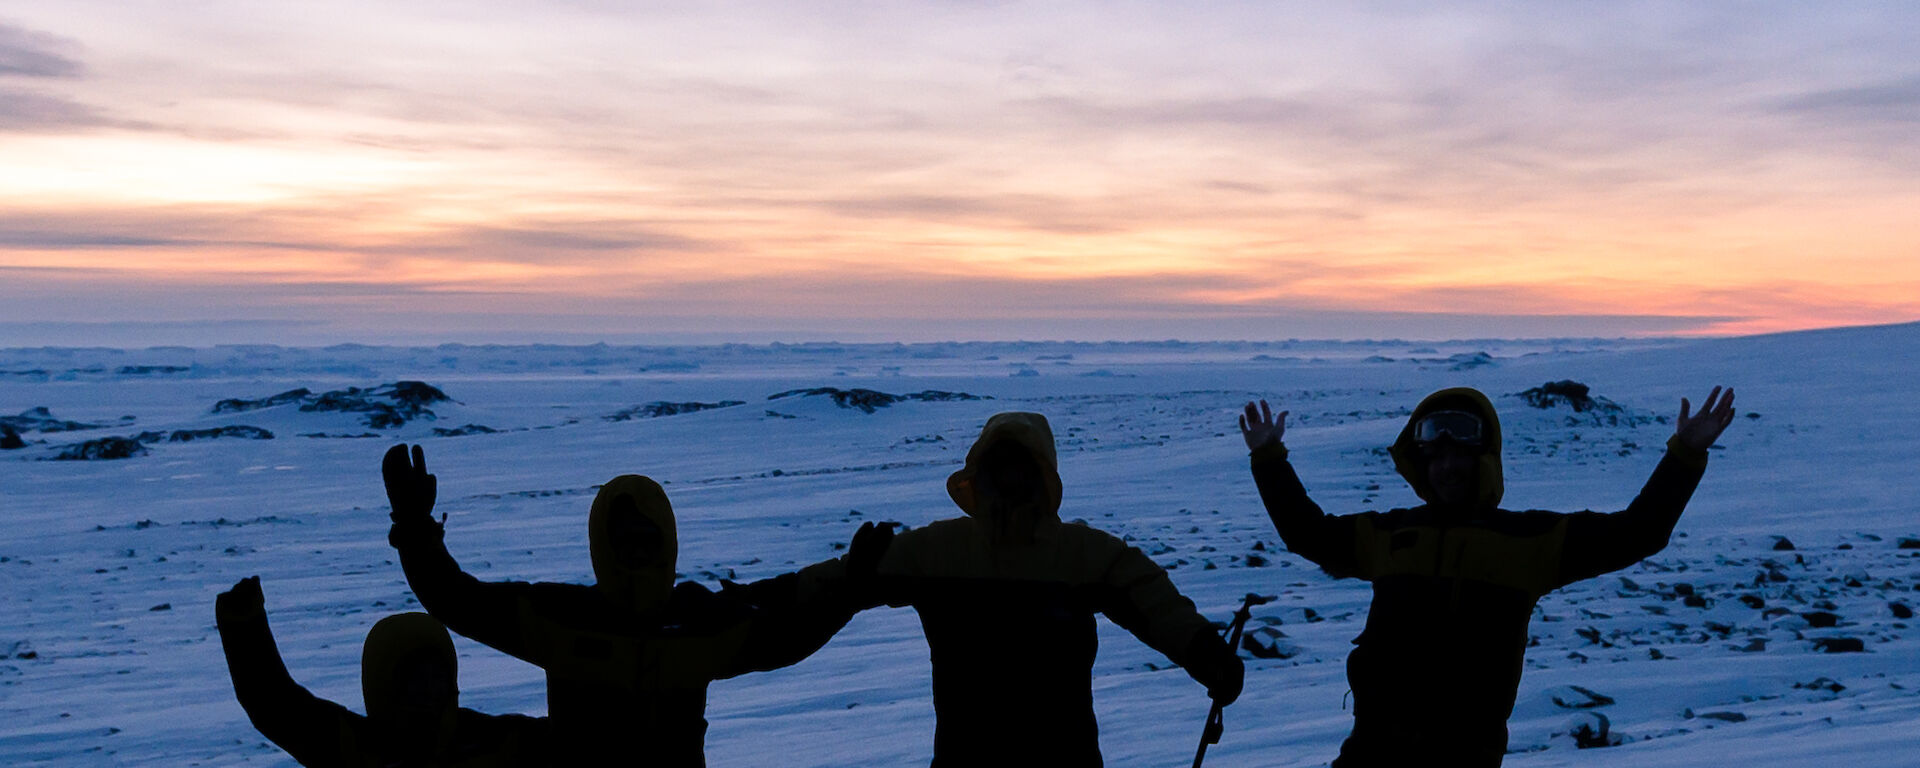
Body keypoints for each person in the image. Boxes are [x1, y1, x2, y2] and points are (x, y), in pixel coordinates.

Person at [1238, 386, 1736, 766]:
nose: (1448, 468)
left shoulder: (1529, 541)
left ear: (1486, 459)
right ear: (1421, 463)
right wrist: (1269, 458)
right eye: (1437, 457)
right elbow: (1306, 533)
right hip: (1370, 752)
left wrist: (1685, 455)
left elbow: (1638, 533)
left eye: (1462, 456)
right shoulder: (1389, 535)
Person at [802, 411, 1244, 766]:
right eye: (1002, 468)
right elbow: (827, 585)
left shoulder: (1077, 554)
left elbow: (1155, 602)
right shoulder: (943, 550)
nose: (1011, 480)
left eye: (1021, 469)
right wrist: (847, 580)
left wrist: (1204, 651)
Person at [381, 444, 864, 767]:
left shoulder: (698, 622)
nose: (636, 553)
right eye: (623, 541)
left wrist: (850, 588)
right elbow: (458, 600)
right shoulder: (560, 618)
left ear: (667, 543)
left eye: (646, 540)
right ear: (602, 545)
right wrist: (415, 527)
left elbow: (785, 637)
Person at [214, 575, 550, 767]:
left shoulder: (487, 741)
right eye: (416, 684)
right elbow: (275, 705)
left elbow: (574, 737)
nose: (430, 696)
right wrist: (245, 628)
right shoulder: (356, 749)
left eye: (439, 681)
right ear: (385, 688)